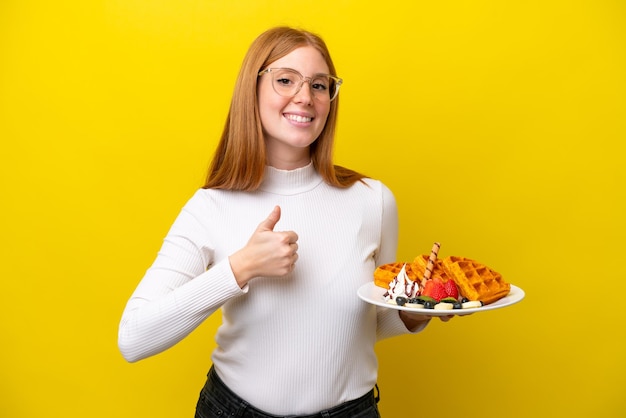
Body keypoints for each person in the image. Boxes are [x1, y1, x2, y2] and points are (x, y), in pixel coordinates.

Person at [118, 26, 451, 418]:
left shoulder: (372, 200)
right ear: (253, 88)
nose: (305, 97)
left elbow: (368, 322)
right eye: (285, 80)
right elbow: (134, 338)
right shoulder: (211, 206)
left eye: (320, 85)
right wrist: (240, 268)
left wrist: (413, 313)